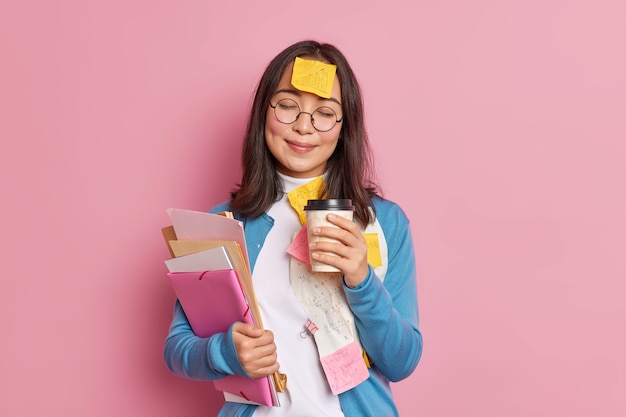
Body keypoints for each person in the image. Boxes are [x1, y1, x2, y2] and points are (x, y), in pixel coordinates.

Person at [164, 39, 423, 417]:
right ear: (263, 114)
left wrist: (361, 279)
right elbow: (177, 349)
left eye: (324, 113)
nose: (304, 127)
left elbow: (402, 362)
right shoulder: (220, 224)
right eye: (288, 106)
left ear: (344, 126)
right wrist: (225, 351)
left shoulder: (384, 222)